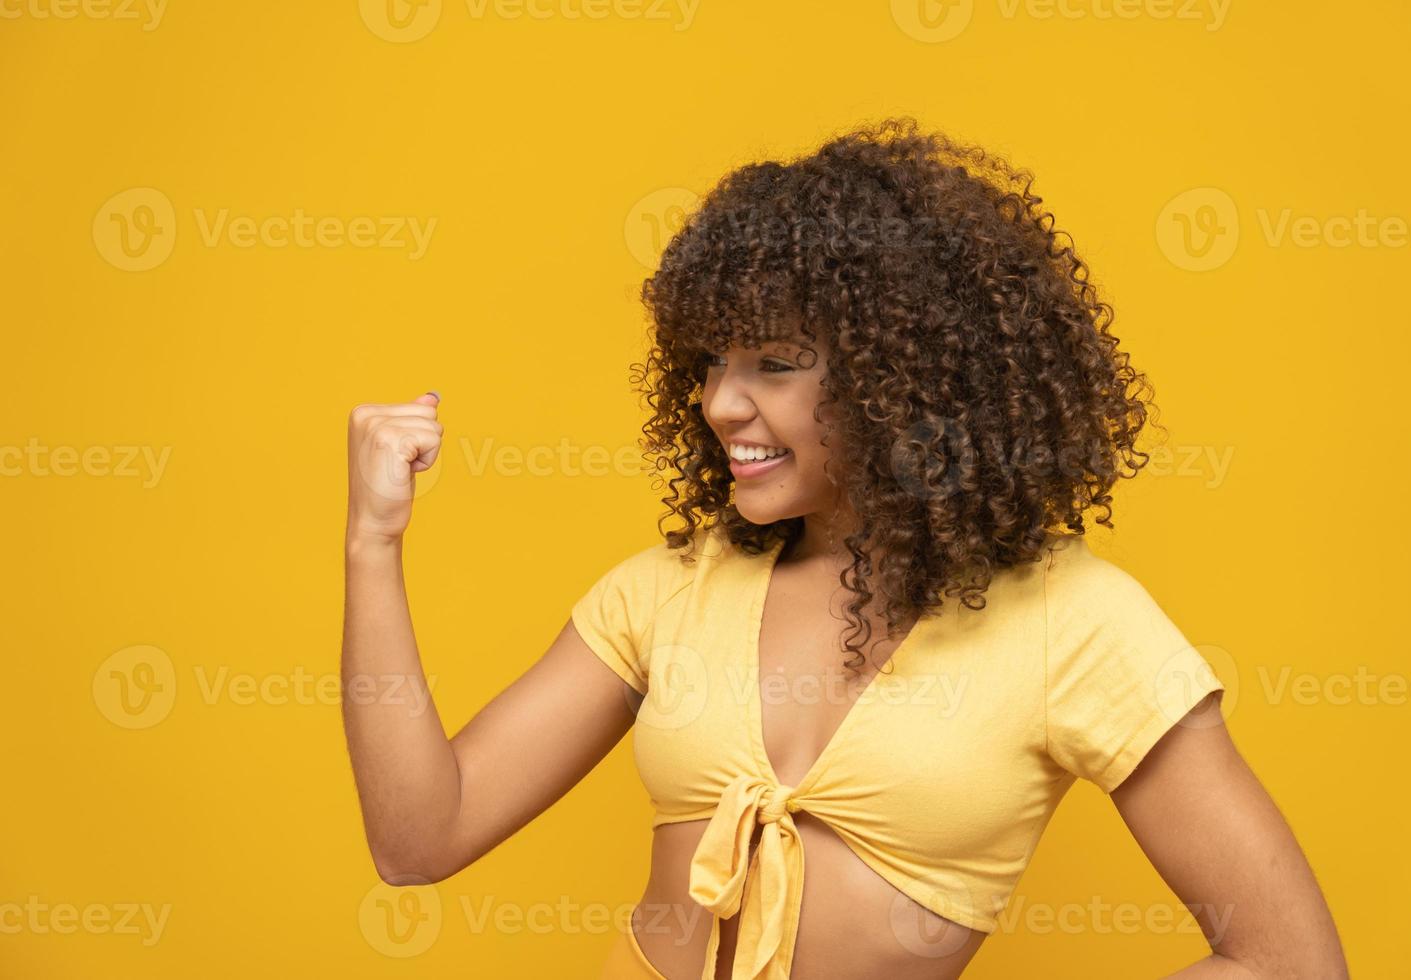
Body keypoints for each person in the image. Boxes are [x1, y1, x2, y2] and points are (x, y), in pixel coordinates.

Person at [341, 118, 1348, 979]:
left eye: (775, 364)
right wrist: (372, 541)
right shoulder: (663, 594)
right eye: (712, 362)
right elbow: (421, 836)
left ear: (904, 374)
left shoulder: (1075, 622)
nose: (721, 402)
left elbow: (1289, 959)